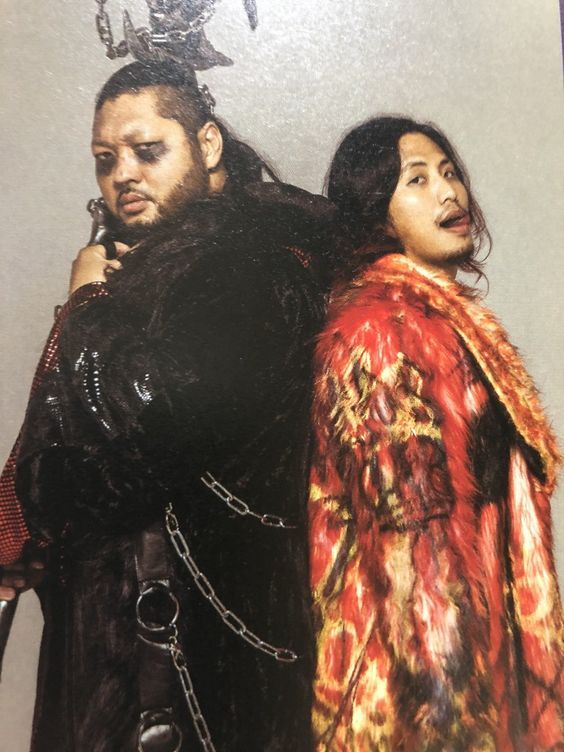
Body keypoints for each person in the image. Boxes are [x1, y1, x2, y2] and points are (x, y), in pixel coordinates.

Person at [0, 60, 332, 752]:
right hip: (132, 646)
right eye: (105, 160)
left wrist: (88, 307)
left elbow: (151, 423)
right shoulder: (158, 261)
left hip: (188, 659)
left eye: (147, 151)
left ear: (207, 145)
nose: (122, 175)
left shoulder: (250, 262)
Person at [308, 116, 564, 750]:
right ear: (376, 212)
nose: (449, 192)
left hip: (486, 662)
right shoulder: (379, 335)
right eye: (417, 180)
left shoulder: (446, 324)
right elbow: (413, 568)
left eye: (450, 173)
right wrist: (453, 730)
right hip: (419, 701)